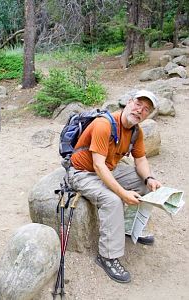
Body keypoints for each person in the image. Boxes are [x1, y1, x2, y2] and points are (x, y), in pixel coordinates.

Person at [67, 90, 162, 283]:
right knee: (113, 200)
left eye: (146, 110)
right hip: (83, 172)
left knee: (145, 185)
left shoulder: (136, 132)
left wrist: (149, 179)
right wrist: (122, 193)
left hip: (108, 169)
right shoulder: (104, 124)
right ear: (128, 102)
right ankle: (107, 256)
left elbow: (141, 159)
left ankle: (128, 226)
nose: (140, 111)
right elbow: (98, 166)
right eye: (138, 104)